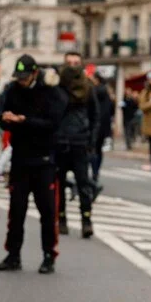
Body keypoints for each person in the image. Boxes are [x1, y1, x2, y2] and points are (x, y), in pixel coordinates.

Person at [0, 56, 66, 274]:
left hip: (44, 159)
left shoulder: (51, 93)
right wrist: (5, 119)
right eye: (19, 78)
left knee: (47, 211)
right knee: (16, 210)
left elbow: (53, 123)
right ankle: (13, 255)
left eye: (25, 78)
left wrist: (24, 121)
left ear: (35, 74)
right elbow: (1, 114)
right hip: (20, 158)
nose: (22, 82)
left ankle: (48, 256)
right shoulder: (12, 90)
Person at [57, 52, 99, 239]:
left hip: (80, 142)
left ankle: (86, 220)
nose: (72, 67)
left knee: (83, 184)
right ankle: (62, 219)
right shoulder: (57, 87)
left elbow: (95, 115)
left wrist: (91, 141)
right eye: (69, 63)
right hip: (60, 142)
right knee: (59, 183)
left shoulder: (88, 87)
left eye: (76, 63)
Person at [89, 73, 114, 185]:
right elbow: (112, 110)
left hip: (95, 125)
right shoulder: (107, 93)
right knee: (98, 150)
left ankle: (94, 172)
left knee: (93, 150)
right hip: (104, 125)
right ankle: (96, 171)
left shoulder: (94, 91)